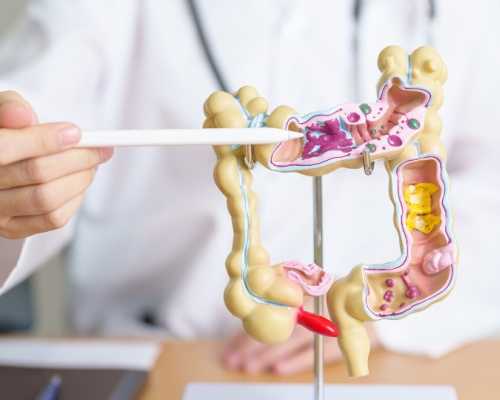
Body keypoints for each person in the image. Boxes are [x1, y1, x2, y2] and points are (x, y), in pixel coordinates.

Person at [0, 0, 498, 375]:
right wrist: (18, 186)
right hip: (161, 353)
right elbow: (35, 114)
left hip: (386, 363)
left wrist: (390, 316)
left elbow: (490, 190)